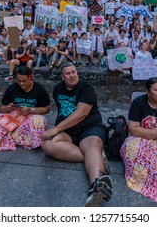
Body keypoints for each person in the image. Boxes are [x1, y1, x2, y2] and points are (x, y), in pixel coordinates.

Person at [41, 63, 112, 207]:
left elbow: (82, 113)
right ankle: (95, 158)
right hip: (68, 131)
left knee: (91, 146)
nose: (72, 75)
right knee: (47, 144)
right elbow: (62, 110)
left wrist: (56, 129)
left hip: (90, 128)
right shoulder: (58, 89)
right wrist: (59, 130)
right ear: (62, 76)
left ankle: (96, 187)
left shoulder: (86, 88)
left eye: (74, 72)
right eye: (68, 73)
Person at [0, 66, 50, 151]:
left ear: (30, 77)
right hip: (13, 117)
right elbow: (2, 108)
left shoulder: (39, 89)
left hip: (31, 117)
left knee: (38, 122)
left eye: (24, 81)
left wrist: (31, 110)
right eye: (19, 81)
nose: (22, 84)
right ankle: (19, 138)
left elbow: (47, 109)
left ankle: (8, 137)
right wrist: (8, 108)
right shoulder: (12, 88)